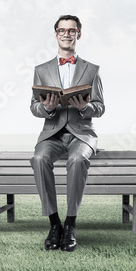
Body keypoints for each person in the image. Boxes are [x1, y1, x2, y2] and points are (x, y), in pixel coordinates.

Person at [28, 14, 105, 251]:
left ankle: (70, 224)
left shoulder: (92, 70)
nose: (66, 34)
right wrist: (47, 108)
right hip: (52, 133)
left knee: (78, 158)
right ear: (56, 34)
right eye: (62, 30)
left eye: (71, 31)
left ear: (78, 35)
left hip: (82, 133)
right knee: (39, 158)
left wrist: (85, 107)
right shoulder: (41, 70)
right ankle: (54, 224)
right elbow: (33, 106)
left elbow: (100, 107)